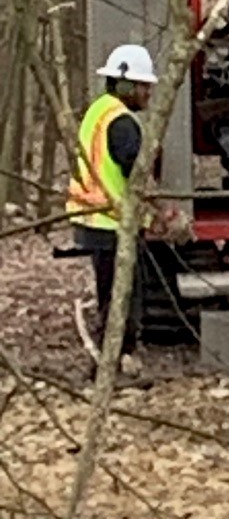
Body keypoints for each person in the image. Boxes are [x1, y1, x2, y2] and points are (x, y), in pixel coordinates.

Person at [65, 43, 159, 370]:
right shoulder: (121, 122)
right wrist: (159, 213)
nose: (148, 93)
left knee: (111, 296)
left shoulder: (97, 111)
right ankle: (113, 363)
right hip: (111, 222)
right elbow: (137, 175)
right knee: (121, 297)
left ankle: (113, 362)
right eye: (144, 86)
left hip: (94, 220)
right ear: (126, 85)